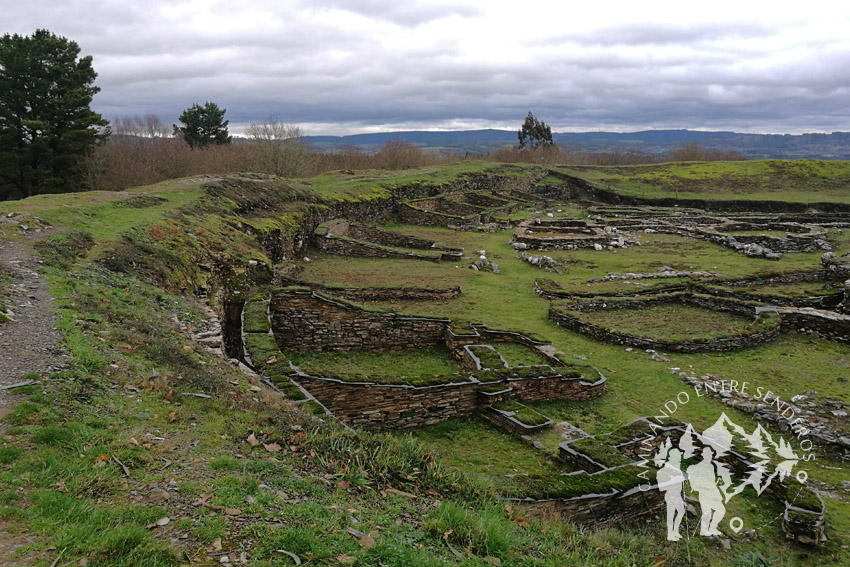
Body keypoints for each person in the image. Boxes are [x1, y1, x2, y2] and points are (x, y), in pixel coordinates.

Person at [687, 446, 726, 536]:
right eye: (707, 455)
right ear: (704, 455)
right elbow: (694, 481)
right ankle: (704, 530)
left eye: (710, 455)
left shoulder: (711, 466)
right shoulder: (698, 467)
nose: (709, 457)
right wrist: (702, 487)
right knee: (707, 512)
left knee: (721, 510)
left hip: (713, 493)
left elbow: (710, 481)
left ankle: (712, 528)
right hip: (704, 493)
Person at [656, 448, 686, 541]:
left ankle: (675, 531)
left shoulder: (677, 468)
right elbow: (661, 487)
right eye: (677, 457)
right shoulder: (663, 471)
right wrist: (672, 483)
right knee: (671, 514)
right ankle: (669, 535)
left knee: (681, 511)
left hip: (677, 495)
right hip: (671, 495)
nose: (679, 458)